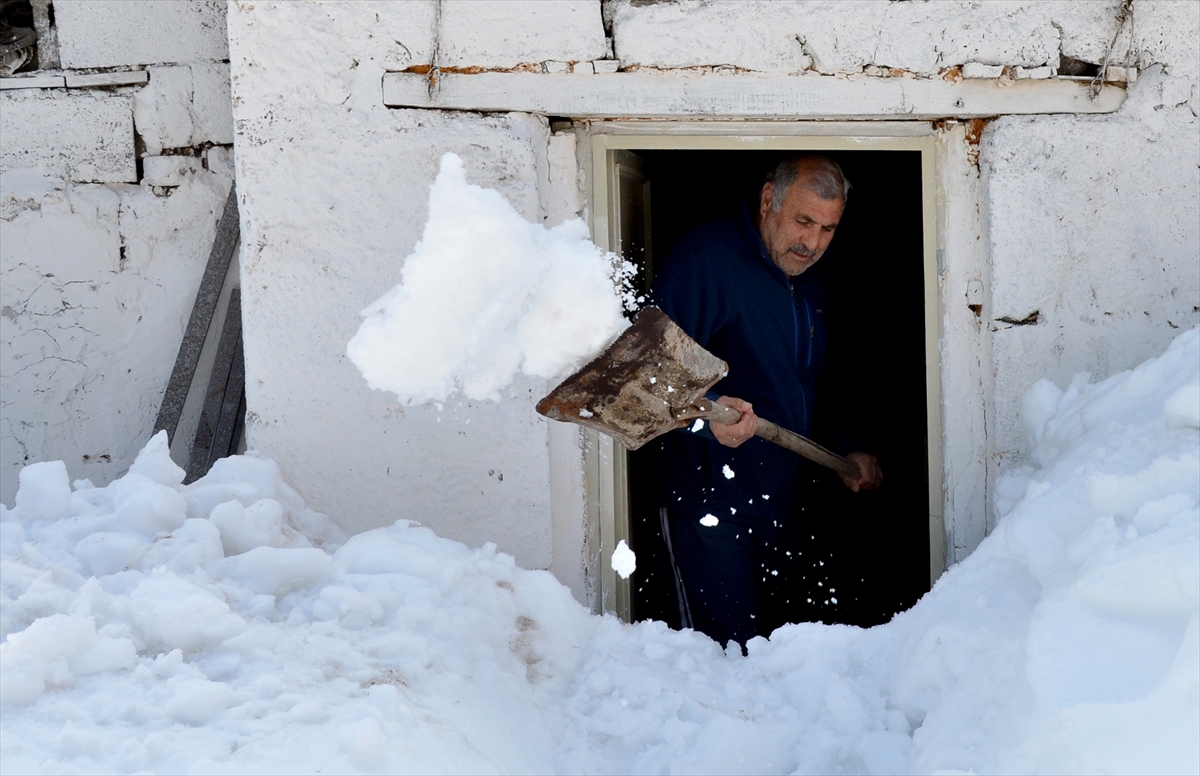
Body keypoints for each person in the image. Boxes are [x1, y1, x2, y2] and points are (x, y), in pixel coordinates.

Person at [645, 154, 883, 650]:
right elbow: (651, 377)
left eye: (828, 228)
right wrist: (709, 417)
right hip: (705, 502)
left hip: (779, 495)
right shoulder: (706, 262)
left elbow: (811, 379)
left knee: (778, 654)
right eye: (803, 221)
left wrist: (847, 446)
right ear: (768, 199)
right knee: (718, 656)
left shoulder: (806, 276)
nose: (813, 243)